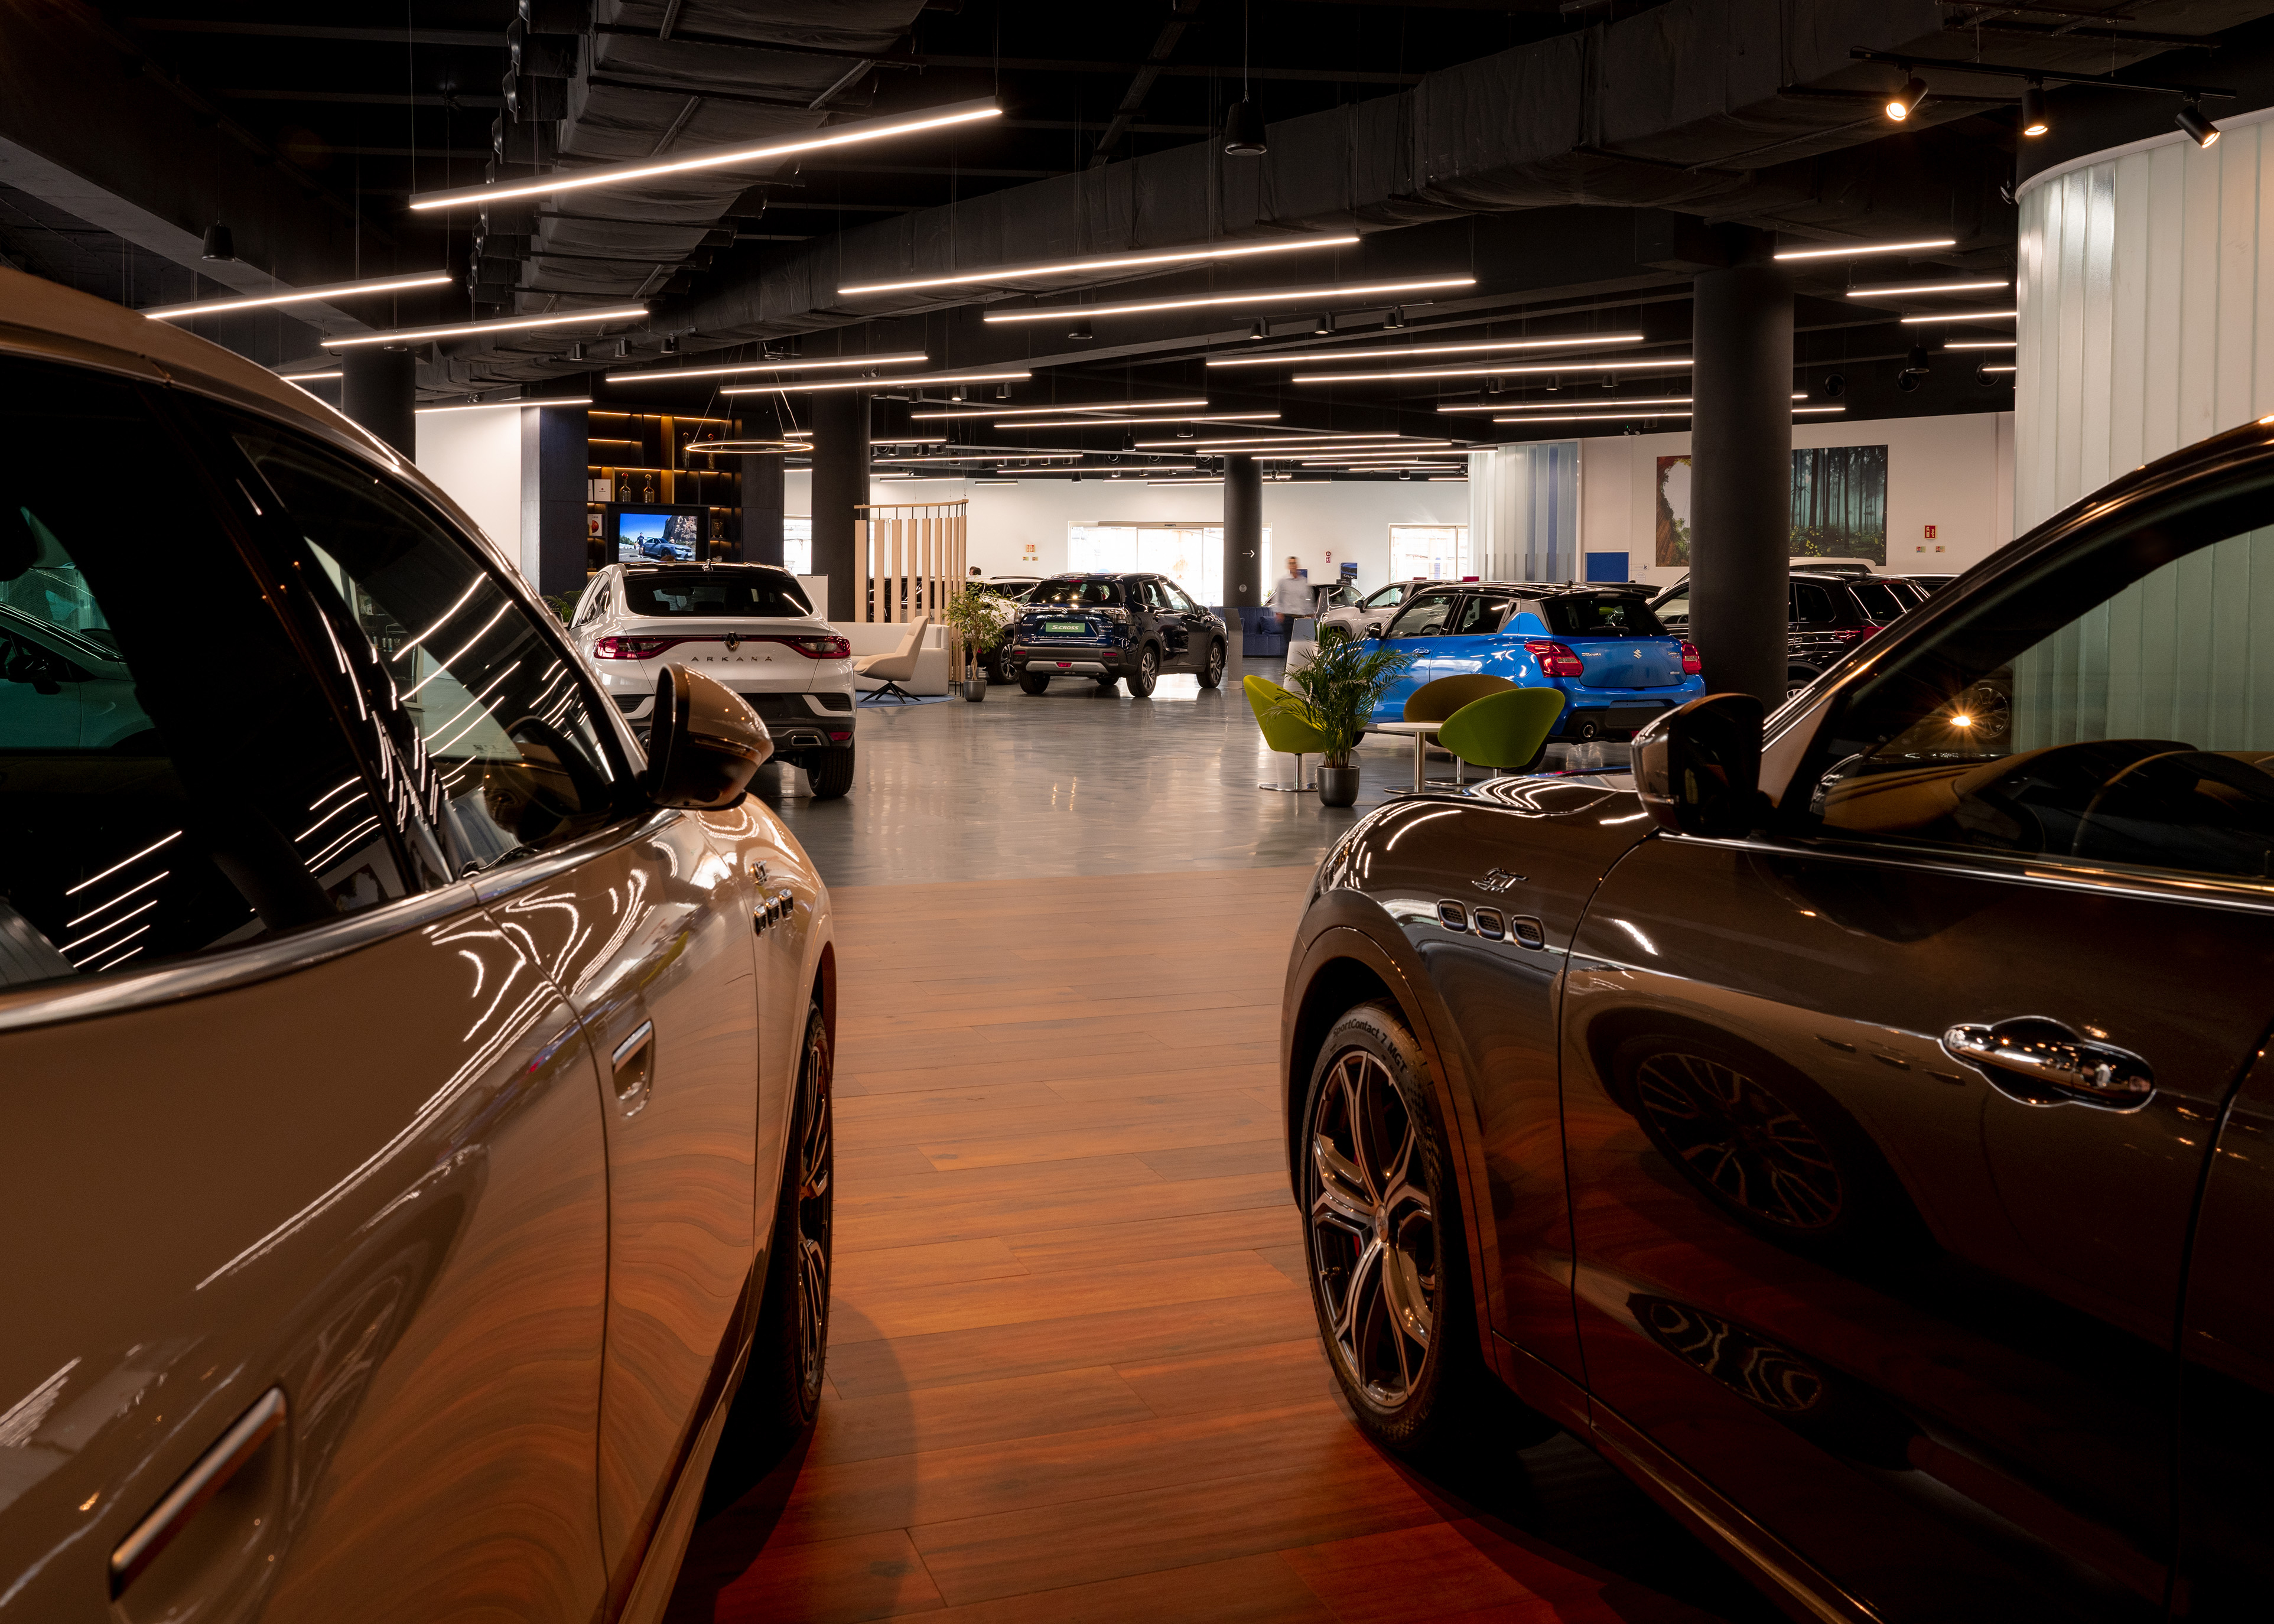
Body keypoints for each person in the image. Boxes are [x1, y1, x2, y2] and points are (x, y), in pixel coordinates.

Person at [1269, 556, 1319, 642]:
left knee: (1300, 645)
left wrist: (1310, 613)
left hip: (1301, 619)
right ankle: (1287, 656)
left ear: (1297, 565)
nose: (1293, 565)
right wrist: (1279, 613)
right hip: (1288, 618)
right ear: (1288, 566)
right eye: (1291, 564)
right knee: (1289, 644)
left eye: (1294, 563)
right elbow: (1277, 600)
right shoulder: (1283, 582)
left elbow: (1308, 599)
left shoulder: (1303, 581)